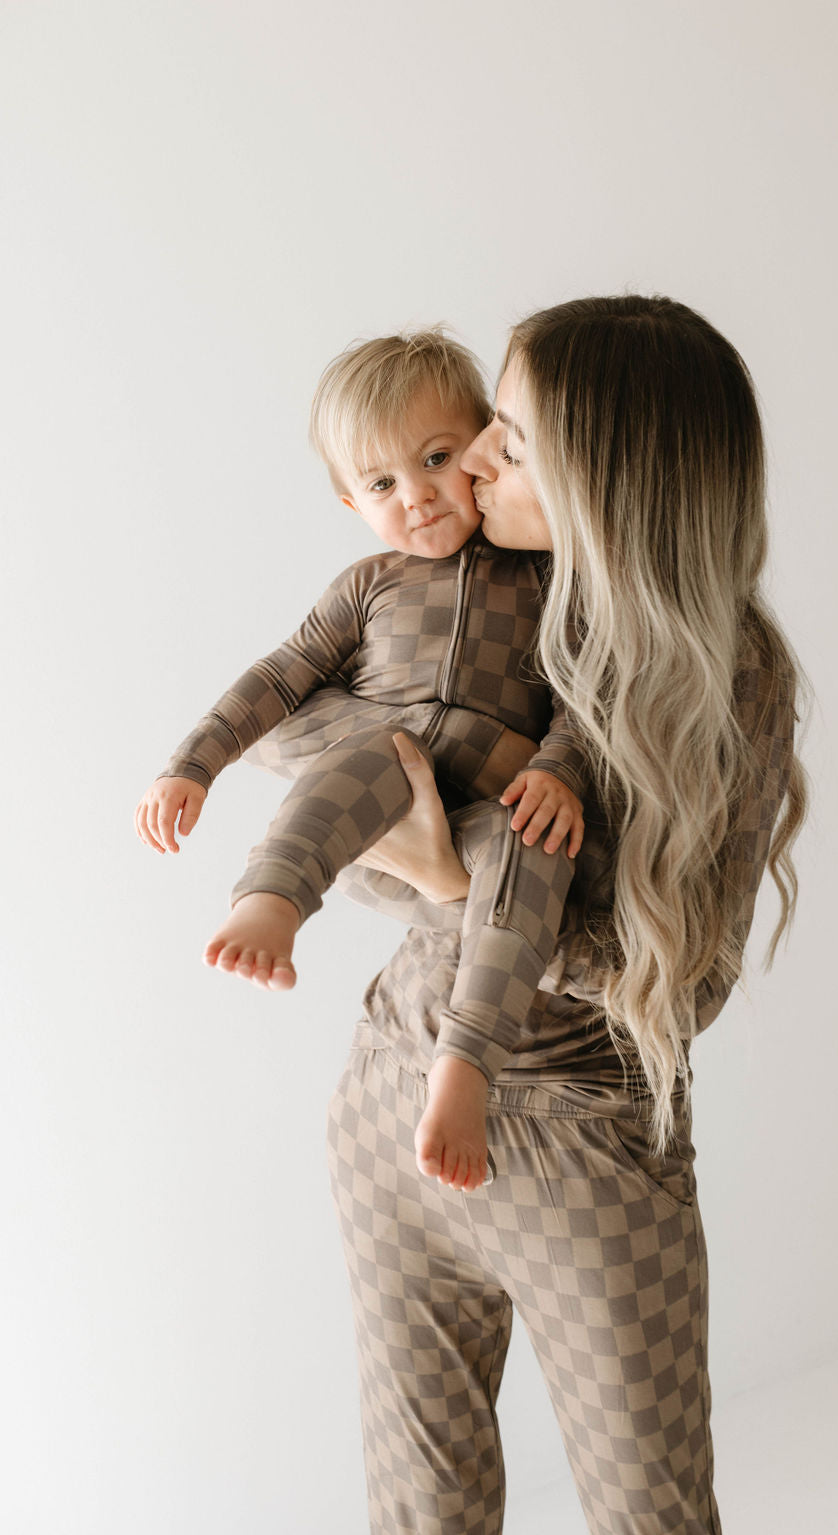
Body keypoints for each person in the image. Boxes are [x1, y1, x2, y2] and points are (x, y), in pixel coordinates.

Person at [324, 294, 811, 1534]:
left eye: (516, 437)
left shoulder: (732, 675)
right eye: (491, 420)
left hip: (583, 1153)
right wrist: (414, 852)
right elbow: (351, 835)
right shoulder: (469, 591)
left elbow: (685, 986)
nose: (475, 457)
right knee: (418, 1509)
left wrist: (453, 881)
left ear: (611, 480)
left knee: (650, 1512)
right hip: (393, 1089)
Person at [134, 329, 590, 1193]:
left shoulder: (550, 578)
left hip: (495, 802)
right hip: (388, 774)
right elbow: (281, 676)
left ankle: (465, 1065)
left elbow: (585, 702)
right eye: (383, 483)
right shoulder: (369, 584)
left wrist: (559, 768)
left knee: (535, 850)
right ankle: (272, 897)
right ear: (352, 502)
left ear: (484, 446)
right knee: (373, 750)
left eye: (437, 458)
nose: (417, 495)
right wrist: (193, 763)